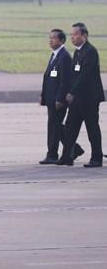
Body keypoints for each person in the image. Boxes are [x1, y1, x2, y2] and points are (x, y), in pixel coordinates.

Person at [58, 23, 104, 167]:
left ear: (84, 35)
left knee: (92, 128)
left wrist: (72, 92)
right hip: (77, 99)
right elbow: (74, 75)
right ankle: (67, 156)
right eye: (71, 35)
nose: (72, 38)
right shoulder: (78, 52)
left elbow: (85, 75)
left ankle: (96, 158)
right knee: (70, 128)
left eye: (75, 35)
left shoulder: (90, 51)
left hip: (89, 98)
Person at [39, 29, 84, 164]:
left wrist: (60, 99)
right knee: (55, 126)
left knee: (55, 126)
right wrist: (43, 95)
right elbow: (48, 77)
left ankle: (53, 154)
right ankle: (73, 148)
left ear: (62, 40)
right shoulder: (55, 55)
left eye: (54, 38)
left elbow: (65, 81)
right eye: (50, 38)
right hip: (51, 98)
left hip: (58, 100)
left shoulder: (64, 57)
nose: (51, 40)